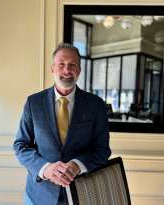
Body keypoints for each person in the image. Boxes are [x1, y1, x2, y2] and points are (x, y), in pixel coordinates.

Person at [13, 43, 111, 205]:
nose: (67, 70)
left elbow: (102, 150)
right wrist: (46, 168)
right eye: (61, 64)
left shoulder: (96, 105)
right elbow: (21, 145)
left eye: (72, 65)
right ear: (52, 69)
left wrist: (78, 165)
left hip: (82, 192)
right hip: (39, 195)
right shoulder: (34, 103)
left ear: (79, 70)